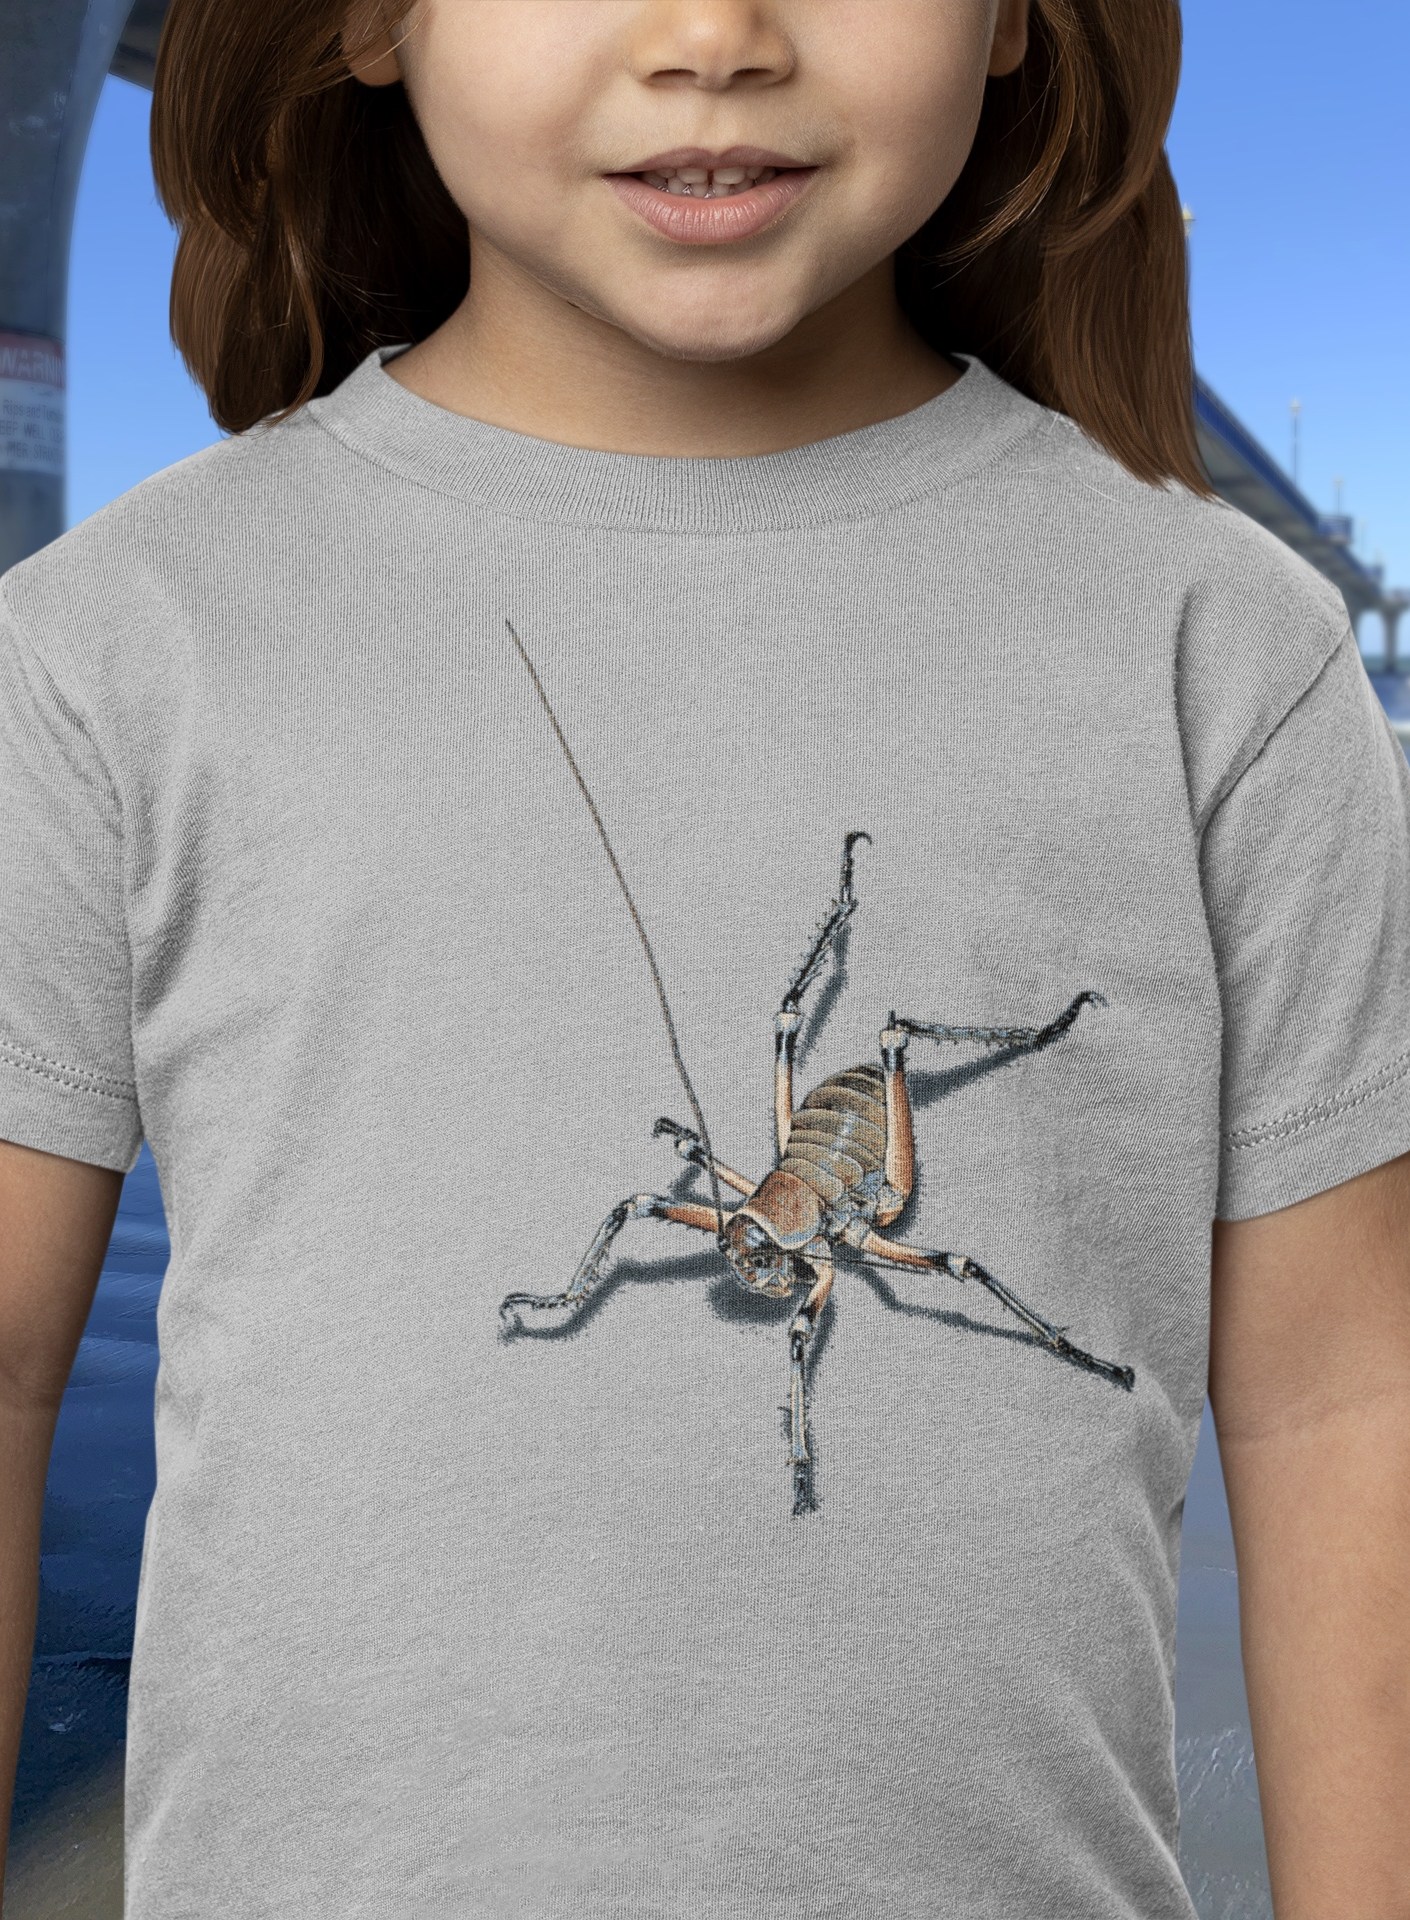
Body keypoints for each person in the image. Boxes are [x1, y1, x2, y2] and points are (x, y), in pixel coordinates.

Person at [1, 0, 1407, 1913]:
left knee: (896, 1132)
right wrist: (600, 1283)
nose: (714, 31)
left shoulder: (1222, 645)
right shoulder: (111, 644)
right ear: (361, 24)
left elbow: (1344, 1396)